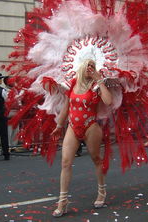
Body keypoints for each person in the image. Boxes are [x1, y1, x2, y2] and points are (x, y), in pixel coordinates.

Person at [51, 59, 112, 217]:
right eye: (88, 65)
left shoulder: (96, 86)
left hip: (91, 127)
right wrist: (59, 126)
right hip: (72, 127)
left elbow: (108, 101)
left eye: (93, 66)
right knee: (65, 162)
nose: (90, 68)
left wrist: (100, 80)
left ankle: (101, 191)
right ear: (82, 67)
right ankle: (63, 201)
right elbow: (67, 106)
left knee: (96, 159)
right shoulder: (73, 83)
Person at [0, 72, 10, 160]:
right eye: (0, 79)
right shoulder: (2, 90)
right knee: (3, 135)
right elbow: (7, 100)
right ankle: (6, 154)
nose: (1, 80)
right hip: (1, 115)